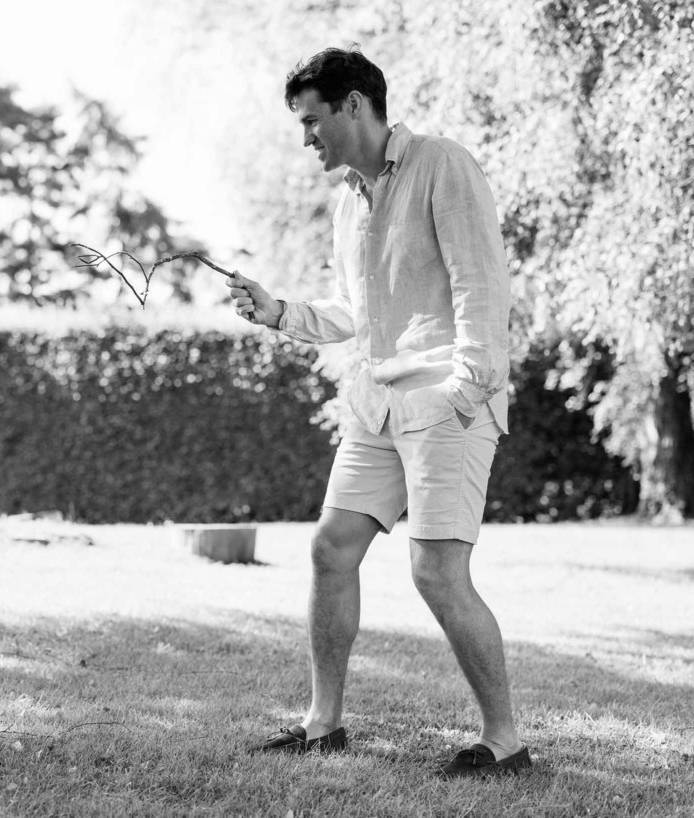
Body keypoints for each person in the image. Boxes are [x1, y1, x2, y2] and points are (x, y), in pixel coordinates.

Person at [230, 46, 529, 777]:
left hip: (445, 401)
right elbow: (355, 313)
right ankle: (322, 724)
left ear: (354, 104)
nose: (306, 138)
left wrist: (465, 391)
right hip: (378, 405)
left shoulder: (442, 164)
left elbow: (480, 284)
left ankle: (505, 741)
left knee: (435, 572)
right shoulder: (348, 202)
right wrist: (278, 312)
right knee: (331, 549)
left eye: (312, 121)